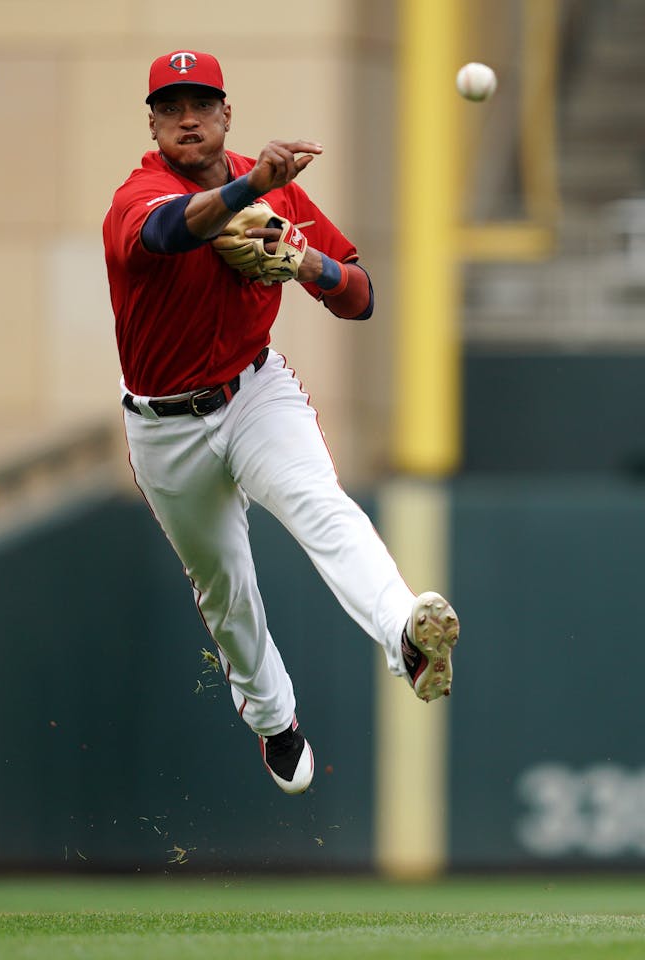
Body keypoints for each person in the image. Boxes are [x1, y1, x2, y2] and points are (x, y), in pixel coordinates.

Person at [102, 50, 460, 797]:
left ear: (227, 113)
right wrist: (250, 189)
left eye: (202, 103)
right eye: (172, 107)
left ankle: (407, 635)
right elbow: (169, 232)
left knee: (319, 504)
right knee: (225, 587)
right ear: (154, 124)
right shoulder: (141, 193)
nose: (188, 117)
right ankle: (274, 721)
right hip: (165, 427)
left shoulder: (277, 196)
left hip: (256, 392)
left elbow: (360, 295)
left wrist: (309, 268)